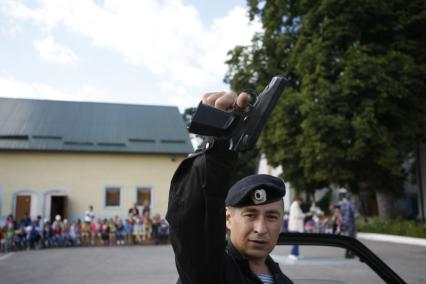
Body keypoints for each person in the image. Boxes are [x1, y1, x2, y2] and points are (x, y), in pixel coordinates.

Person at [166, 91, 293, 284]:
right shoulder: (208, 271)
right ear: (228, 219)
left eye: (272, 216)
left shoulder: (284, 281)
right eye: (250, 215)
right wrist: (218, 148)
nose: (260, 229)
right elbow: (193, 221)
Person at [288, 196, 310, 260]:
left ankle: (296, 254)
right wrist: (306, 215)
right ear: (299, 200)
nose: (301, 203)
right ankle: (292, 254)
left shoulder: (295, 205)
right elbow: (298, 215)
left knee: (297, 240)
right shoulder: (295, 205)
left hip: (296, 226)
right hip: (295, 226)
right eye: (301, 202)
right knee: (296, 240)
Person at [340, 192, 357, 258]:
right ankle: (349, 253)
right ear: (350, 197)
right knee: (352, 238)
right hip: (351, 223)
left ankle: (351, 252)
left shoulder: (343, 205)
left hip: (345, 223)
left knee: (348, 237)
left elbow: (341, 214)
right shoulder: (351, 204)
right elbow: (355, 214)